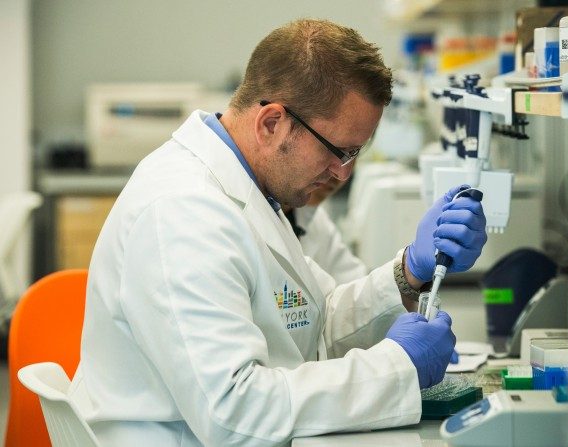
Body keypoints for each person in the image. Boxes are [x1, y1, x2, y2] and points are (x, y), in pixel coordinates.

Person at [70, 19, 487, 446]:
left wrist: (407, 272)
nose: (342, 173)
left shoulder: (252, 190)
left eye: (355, 153)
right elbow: (234, 413)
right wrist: (397, 367)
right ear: (271, 123)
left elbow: (313, 323)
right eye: (338, 151)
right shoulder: (182, 213)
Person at [283, 177, 369, 286]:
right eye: (327, 158)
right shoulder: (260, 217)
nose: (340, 174)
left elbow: (355, 281)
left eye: (348, 161)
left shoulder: (319, 220)